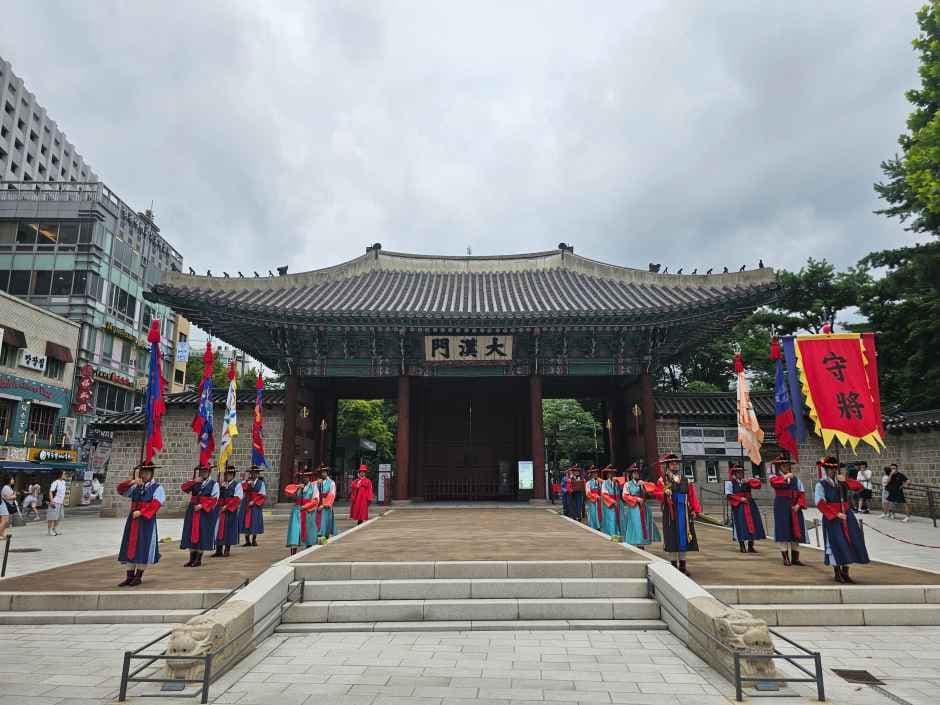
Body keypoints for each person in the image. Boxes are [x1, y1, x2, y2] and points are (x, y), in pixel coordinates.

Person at [815, 456, 869, 583]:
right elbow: (820, 502)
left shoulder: (842, 482)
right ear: (825, 470)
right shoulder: (821, 484)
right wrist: (835, 514)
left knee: (850, 541)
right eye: (829, 469)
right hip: (832, 516)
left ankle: (846, 571)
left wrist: (845, 481)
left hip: (846, 515)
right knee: (835, 542)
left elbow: (859, 486)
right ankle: (837, 571)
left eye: (834, 469)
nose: (832, 471)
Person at [116, 462, 165, 586]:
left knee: (143, 546)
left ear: (151, 474)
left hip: (146, 522)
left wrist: (142, 512)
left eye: (147, 473)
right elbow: (120, 490)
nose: (144, 475)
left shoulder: (157, 488)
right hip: (133, 520)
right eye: (143, 472)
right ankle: (129, 576)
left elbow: (156, 504)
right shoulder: (136, 486)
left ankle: (138, 576)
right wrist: (132, 482)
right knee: (130, 545)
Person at [653, 453, 701, 575]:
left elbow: (691, 496)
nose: (675, 465)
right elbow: (657, 494)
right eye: (672, 463)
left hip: (684, 512)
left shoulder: (685, 479)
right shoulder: (663, 480)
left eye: (676, 463)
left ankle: (683, 566)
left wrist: (695, 509)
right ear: (668, 465)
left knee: (684, 537)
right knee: (672, 537)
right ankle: (673, 565)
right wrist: (665, 493)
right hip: (671, 512)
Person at [768, 455, 806, 566]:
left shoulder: (796, 479)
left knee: (796, 530)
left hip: (794, 507)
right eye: (784, 466)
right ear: (779, 467)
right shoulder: (774, 477)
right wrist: (784, 477)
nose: (787, 468)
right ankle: (785, 558)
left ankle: (795, 558)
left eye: (788, 466)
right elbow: (774, 483)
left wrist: (799, 504)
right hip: (781, 507)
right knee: (783, 530)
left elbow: (801, 493)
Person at [180, 464, 220, 567]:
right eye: (202, 471)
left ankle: (198, 559)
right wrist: (194, 481)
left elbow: (214, 499)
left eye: (205, 472)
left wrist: (202, 505)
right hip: (192, 511)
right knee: (190, 532)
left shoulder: (213, 484)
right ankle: (191, 558)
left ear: (209, 472)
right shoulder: (195, 481)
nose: (203, 473)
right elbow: (183, 488)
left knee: (202, 533)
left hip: (204, 512)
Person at [725, 462, 766, 553]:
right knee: (740, 525)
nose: (741, 474)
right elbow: (729, 495)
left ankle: (751, 545)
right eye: (739, 472)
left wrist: (750, 480)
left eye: (742, 472)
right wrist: (740, 499)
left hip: (750, 504)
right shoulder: (730, 483)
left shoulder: (747, 481)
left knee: (753, 523)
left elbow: (758, 485)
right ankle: (742, 545)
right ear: (735, 473)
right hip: (738, 506)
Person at [622, 464, 659, 548]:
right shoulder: (627, 484)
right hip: (634, 507)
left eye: (637, 473)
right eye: (634, 473)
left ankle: (642, 542)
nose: (636, 474)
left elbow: (651, 491)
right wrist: (636, 499)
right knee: (636, 523)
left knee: (644, 523)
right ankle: (637, 541)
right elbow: (625, 496)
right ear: (631, 475)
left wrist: (644, 485)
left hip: (643, 507)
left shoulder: (642, 483)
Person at [212, 465, 243, 558]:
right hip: (220, 510)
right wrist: (221, 488)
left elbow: (238, 498)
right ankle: (218, 549)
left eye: (229, 474)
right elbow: (217, 496)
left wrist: (227, 506)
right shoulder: (221, 484)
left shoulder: (237, 485)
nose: (227, 476)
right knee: (218, 529)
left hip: (230, 511)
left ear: (233, 475)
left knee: (228, 530)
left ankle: (227, 549)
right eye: (226, 474)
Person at [285, 471, 319, 554]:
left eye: (307, 477)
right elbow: (288, 493)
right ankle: (293, 551)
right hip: (297, 511)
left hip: (307, 511)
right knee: (295, 531)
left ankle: (308, 549)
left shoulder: (313, 487)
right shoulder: (297, 487)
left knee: (309, 531)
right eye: (303, 477)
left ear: (309, 478)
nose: (305, 479)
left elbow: (315, 500)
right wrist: (297, 488)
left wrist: (306, 506)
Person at [240, 465, 267, 546]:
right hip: (246, 503)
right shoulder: (246, 482)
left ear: (258, 474)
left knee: (255, 521)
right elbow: (241, 489)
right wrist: (246, 483)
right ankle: (247, 540)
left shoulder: (261, 483)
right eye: (252, 473)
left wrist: (254, 502)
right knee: (246, 521)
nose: (253, 475)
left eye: (255, 473)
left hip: (255, 504)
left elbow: (262, 495)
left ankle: (254, 539)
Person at [317, 465, 337, 540]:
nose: (323, 474)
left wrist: (324, 505)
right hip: (318, 502)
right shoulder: (318, 482)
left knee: (326, 521)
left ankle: (325, 535)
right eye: (322, 472)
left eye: (324, 472)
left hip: (326, 504)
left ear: (327, 473)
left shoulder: (331, 483)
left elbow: (332, 495)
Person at [599, 466, 620, 536]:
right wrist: (612, 501)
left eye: (613, 473)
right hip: (609, 503)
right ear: (608, 475)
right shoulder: (605, 483)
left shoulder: (616, 483)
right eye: (610, 474)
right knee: (611, 518)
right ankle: (612, 534)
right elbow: (604, 494)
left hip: (617, 502)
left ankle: (617, 533)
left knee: (618, 518)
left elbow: (619, 492)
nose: (612, 475)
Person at [47, 471, 67, 536]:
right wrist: (51, 501)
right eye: (64, 474)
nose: (65, 475)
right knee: (52, 517)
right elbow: (50, 492)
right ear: (60, 475)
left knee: (59, 517)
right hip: (55, 502)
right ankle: (49, 531)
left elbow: (63, 493)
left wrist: (63, 501)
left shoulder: (64, 482)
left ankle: (54, 529)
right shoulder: (55, 483)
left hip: (61, 503)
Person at [584, 467, 603, 531]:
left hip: (599, 500)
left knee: (599, 513)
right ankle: (593, 525)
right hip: (592, 501)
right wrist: (595, 496)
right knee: (592, 513)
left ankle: (599, 526)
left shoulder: (599, 482)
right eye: (594, 473)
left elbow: (601, 490)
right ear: (591, 474)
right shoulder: (588, 483)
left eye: (596, 473)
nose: (596, 474)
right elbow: (588, 493)